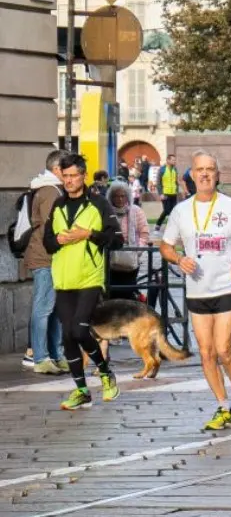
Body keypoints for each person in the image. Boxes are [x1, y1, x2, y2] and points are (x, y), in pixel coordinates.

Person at [159, 151, 231, 430]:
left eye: (210, 169)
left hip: (227, 284)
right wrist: (179, 259)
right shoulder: (181, 210)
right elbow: (165, 246)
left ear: (217, 174)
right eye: (200, 169)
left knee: (224, 348)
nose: (204, 174)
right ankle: (223, 407)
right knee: (206, 352)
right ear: (191, 174)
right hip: (197, 288)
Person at [44, 154, 122, 410]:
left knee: (79, 331)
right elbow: (47, 242)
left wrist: (88, 234)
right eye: (65, 176)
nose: (68, 181)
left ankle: (105, 372)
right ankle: (81, 391)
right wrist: (59, 240)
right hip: (63, 278)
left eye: (73, 176)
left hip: (89, 277)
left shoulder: (99, 203)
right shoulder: (57, 204)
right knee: (68, 336)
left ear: (83, 176)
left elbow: (117, 239)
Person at [24, 149, 68, 375]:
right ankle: (41, 357)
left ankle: (54, 355)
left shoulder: (50, 188)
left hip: (50, 257)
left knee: (53, 309)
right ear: (57, 169)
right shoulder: (50, 191)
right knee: (44, 308)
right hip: (45, 257)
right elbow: (53, 227)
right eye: (67, 168)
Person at [106, 181, 150, 302]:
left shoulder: (136, 211)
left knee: (127, 292)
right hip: (110, 260)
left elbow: (144, 233)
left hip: (131, 260)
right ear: (111, 197)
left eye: (123, 196)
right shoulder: (106, 212)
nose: (120, 199)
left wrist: (137, 251)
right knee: (112, 293)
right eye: (116, 196)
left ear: (127, 197)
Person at [156, 154, 181, 231]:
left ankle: (173, 227)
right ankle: (158, 224)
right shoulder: (162, 169)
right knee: (167, 210)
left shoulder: (175, 169)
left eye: (175, 160)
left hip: (173, 193)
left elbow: (176, 181)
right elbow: (158, 183)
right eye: (173, 160)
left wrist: (177, 191)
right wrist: (161, 194)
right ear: (168, 160)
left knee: (173, 211)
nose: (174, 161)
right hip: (165, 193)